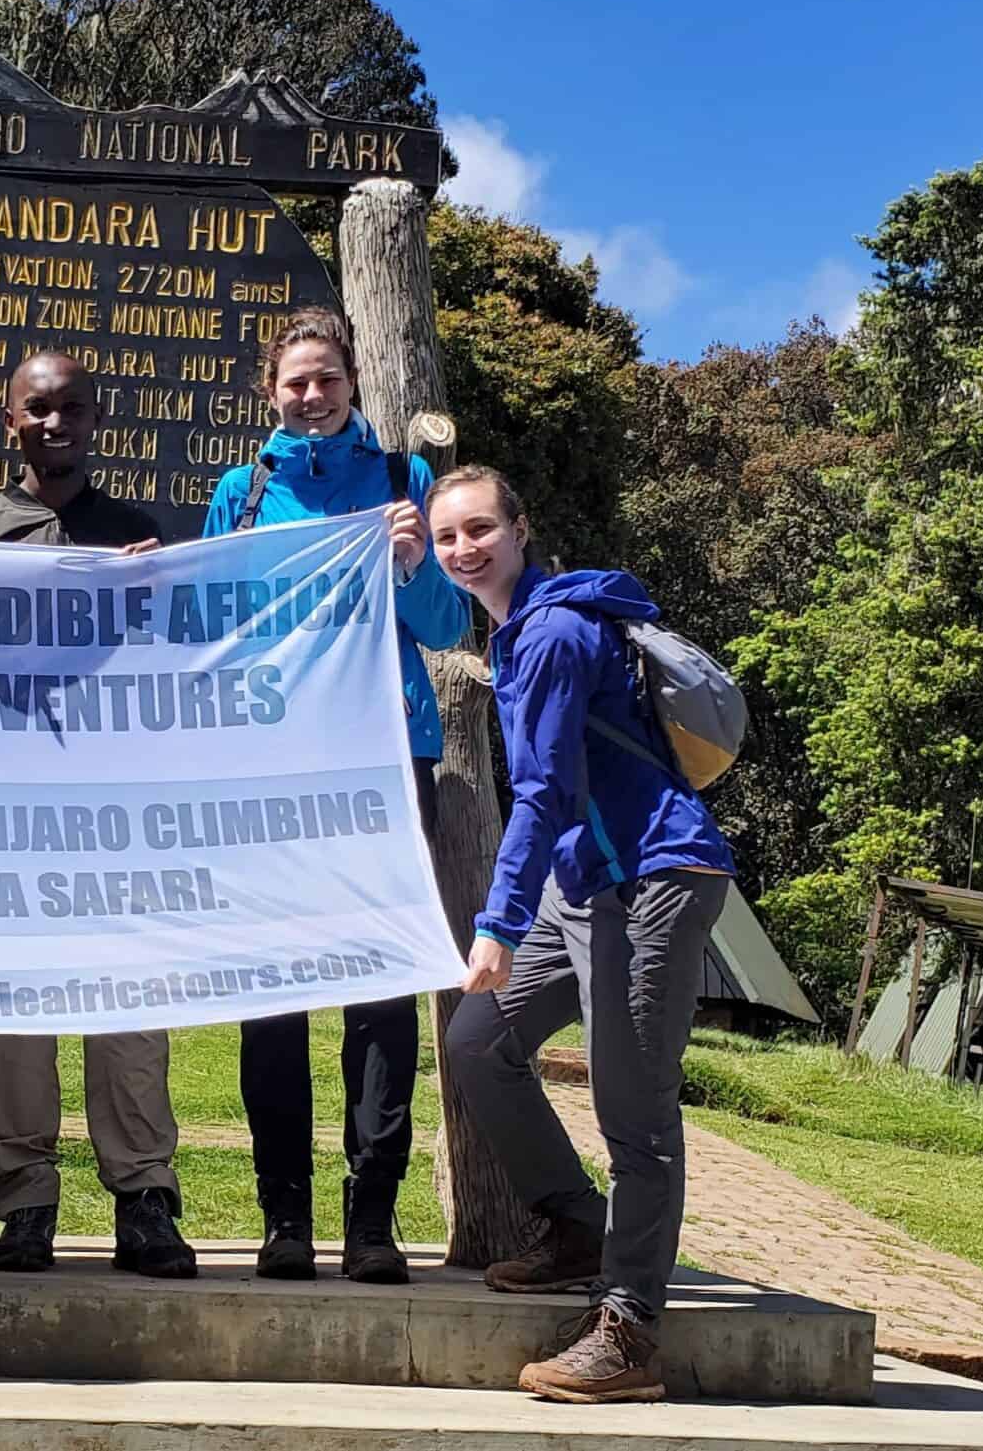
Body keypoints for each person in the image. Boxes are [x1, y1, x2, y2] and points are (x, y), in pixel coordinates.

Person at [425, 464, 736, 1405]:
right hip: (588, 881)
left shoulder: (555, 631)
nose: (464, 548)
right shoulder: (517, 632)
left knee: (633, 1105)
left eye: (481, 528)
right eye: (447, 537)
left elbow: (545, 791)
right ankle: (574, 1225)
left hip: (655, 877)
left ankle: (630, 1328)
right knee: (478, 1041)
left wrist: (498, 923)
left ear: (520, 529)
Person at [0, 352, 196, 1280]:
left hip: (112, 812)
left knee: (128, 1007)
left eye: (72, 407)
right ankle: (23, 1197)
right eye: (38, 407)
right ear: (11, 420)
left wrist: (159, 594)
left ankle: (144, 1197)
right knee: (12, 1013)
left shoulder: (138, 535)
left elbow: (172, 668)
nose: (55, 422)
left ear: (95, 419)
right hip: (7, 814)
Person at [201, 308, 468, 1284]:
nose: (311, 395)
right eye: (295, 381)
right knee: (272, 998)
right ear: (269, 391)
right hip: (272, 771)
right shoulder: (240, 494)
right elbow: (206, 622)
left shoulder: (405, 479)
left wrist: (411, 564)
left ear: (353, 381)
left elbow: (446, 624)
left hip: (386, 764)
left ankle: (372, 1221)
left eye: (327, 378)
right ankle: (284, 1219)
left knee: (379, 995)